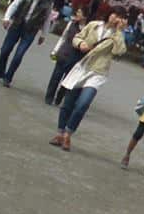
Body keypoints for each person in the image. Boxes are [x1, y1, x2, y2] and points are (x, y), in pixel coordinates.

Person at [49, 11, 127, 151]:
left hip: (97, 71)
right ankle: (60, 133)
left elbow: (119, 52)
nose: (116, 18)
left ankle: (68, 133)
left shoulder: (117, 35)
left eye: (120, 17)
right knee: (68, 103)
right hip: (81, 67)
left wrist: (119, 32)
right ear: (109, 14)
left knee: (83, 104)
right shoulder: (94, 25)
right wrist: (81, 44)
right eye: (115, 14)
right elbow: (76, 37)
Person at [0, 0, 54, 87]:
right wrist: (6, 18)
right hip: (16, 25)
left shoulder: (48, 3)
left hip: (30, 31)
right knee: (5, 50)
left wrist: (43, 35)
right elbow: (13, 6)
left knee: (19, 55)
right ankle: (0, 71)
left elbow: (47, 19)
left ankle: (8, 77)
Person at [44, 7, 87, 105]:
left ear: (85, 16)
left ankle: (59, 97)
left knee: (67, 80)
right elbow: (63, 37)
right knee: (56, 76)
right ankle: (49, 97)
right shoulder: (71, 24)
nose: (77, 14)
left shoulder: (88, 30)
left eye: (79, 12)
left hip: (76, 58)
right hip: (64, 53)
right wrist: (55, 51)